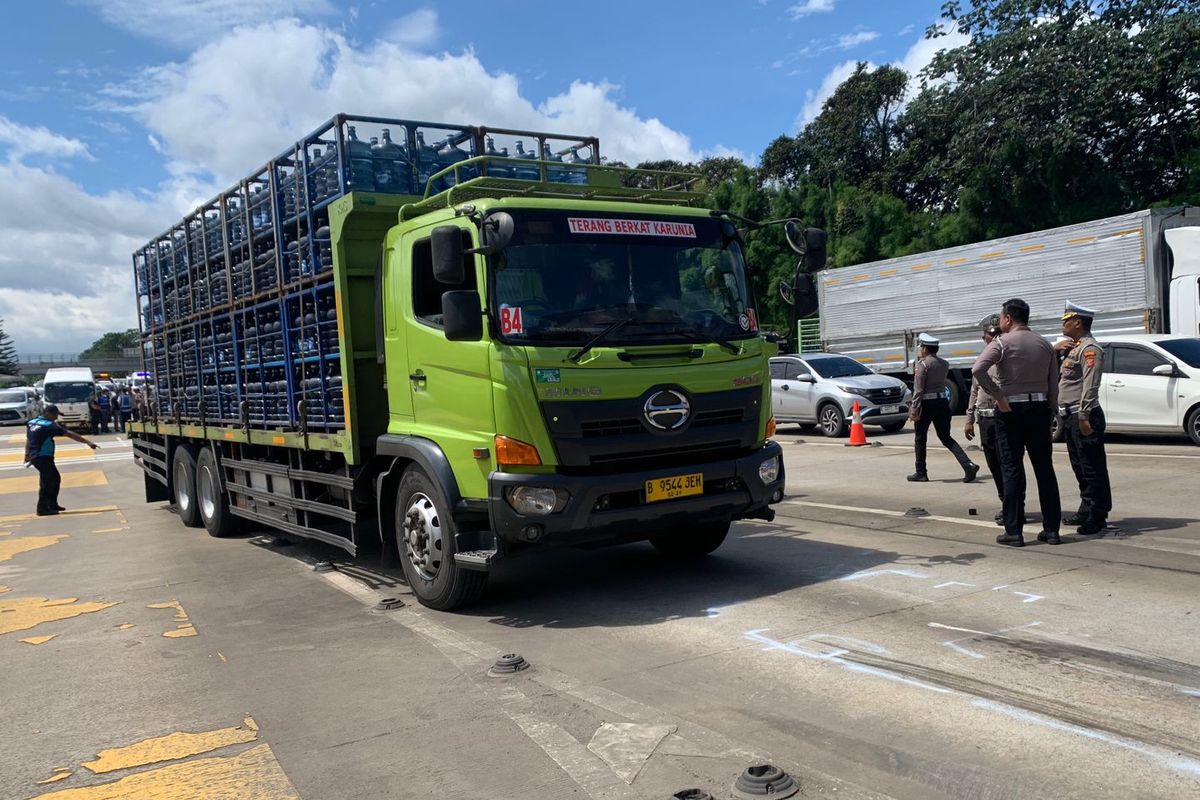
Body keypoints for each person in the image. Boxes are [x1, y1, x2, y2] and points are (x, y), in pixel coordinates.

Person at [972, 298, 1062, 547]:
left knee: (1011, 469)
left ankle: (1014, 530)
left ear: (1008, 318)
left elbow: (978, 369)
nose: (1000, 321)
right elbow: (1053, 383)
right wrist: (1051, 410)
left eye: (1001, 317)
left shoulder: (1002, 342)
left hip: (1010, 410)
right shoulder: (1044, 344)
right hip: (1040, 409)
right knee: (1045, 469)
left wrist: (998, 395)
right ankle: (1052, 530)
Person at [1055, 300, 1111, 535]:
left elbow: (1091, 384)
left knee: (1092, 467)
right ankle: (1086, 507)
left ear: (1078, 323)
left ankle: (1098, 515)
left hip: (1082, 415)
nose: (1064, 324)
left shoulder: (1090, 349)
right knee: (1079, 466)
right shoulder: (1073, 348)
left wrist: (1085, 414)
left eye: (1067, 321)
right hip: (1070, 415)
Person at [964, 322, 1023, 521]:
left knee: (1010, 463)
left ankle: (1016, 506)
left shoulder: (1006, 358)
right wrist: (969, 418)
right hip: (985, 418)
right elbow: (974, 391)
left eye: (998, 333)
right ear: (984, 338)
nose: (995, 338)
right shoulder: (982, 361)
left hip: (1003, 417)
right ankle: (1005, 501)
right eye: (991, 335)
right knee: (993, 463)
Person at [907, 332, 979, 483]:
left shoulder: (923, 365)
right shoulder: (944, 363)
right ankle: (967, 464)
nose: (920, 350)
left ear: (925, 349)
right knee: (946, 437)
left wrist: (914, 410)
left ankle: (921, 472)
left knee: (920, 438)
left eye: (921, 347)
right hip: (942, 403)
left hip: (927, 405)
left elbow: (918, 390)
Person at [25, 404, 99, 516]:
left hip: (35, 455)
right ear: (47, 414)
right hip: (42, 456)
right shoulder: (49, 425)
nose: (56, 417)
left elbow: (28, 439)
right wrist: (88, 442)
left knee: (54, 479)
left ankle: (52, 504)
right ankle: (42, 509)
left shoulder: (32, 422)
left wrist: (26, 454)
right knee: (48, 482)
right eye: (55, 415)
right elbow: (69, 434)